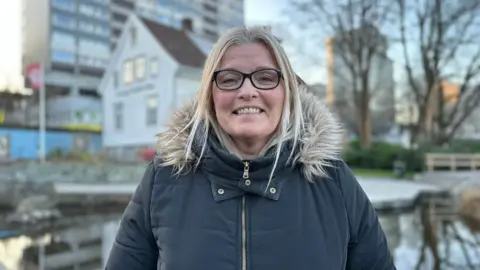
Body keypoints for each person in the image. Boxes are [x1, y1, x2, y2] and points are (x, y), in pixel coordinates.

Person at [105, 26, 396, 270]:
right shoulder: (162, 180)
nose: (247, 91)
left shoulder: (334, 182)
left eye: (266, 77)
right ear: (210, 96)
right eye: (229, 79)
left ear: (288, 93)